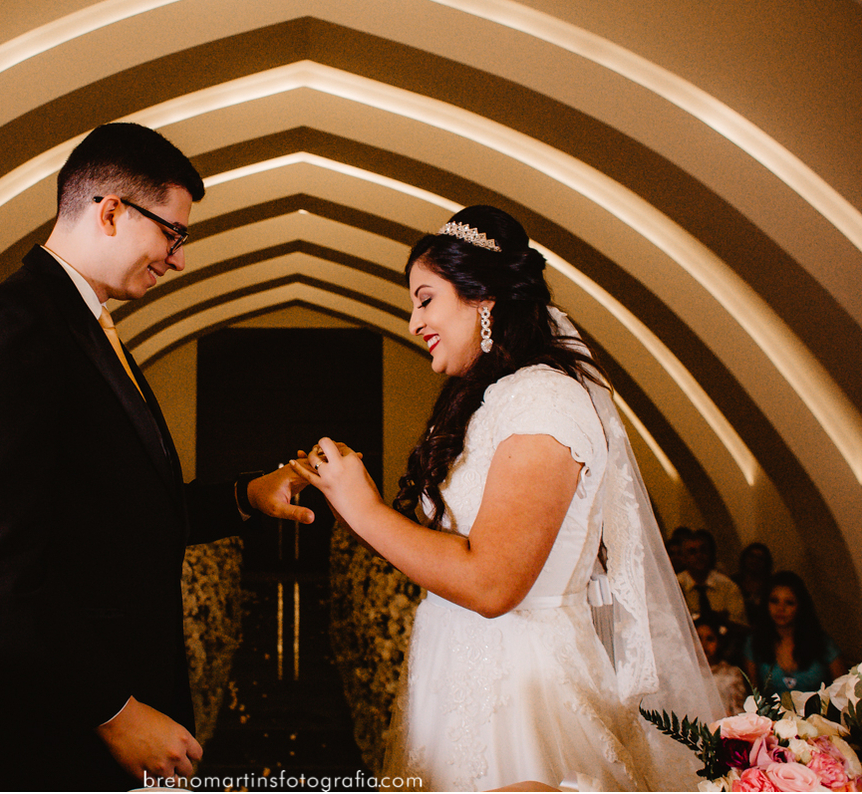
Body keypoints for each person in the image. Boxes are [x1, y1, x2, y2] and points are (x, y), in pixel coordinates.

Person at [0, 122, 313, 791]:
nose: (179, 258)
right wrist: (112, 708)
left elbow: (121, 518)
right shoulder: (11, 324)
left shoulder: (92, 330)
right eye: (173, 233)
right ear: (110, 210)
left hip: (93, 714)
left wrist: (247, 494)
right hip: (40, 734)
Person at [290, 205, 721, 790]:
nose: (413, 321)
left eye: (424, 299)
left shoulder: (543, 401)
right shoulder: (491, 401)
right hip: (461, 669)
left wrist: (362, 509)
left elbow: (492, 585)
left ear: (483, 297)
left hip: (518, 689)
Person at [743, 571, 846, 698]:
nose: (781, 608)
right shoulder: (754, 642)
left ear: (800, 606)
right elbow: (752, 695)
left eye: (789, 602)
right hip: (771, 716)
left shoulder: (822, 643)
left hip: (816, 716)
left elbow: (843, 692)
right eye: (774, 601)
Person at [677, 528, 748, 626]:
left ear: (710, 554)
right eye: (692, 552)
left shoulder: (727, 586)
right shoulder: (676, 585)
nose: (699, 555)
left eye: (703, 550)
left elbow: (740, 625)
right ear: (683, 558)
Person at [694, 613, 748, 717]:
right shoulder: (684, 673)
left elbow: (739, 710)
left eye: (710, 639)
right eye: (698, 638)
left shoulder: (731, 673)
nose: (703, 644)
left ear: (720, 643)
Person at [733, 542, 773, 626]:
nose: (755, 561)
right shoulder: (733, 583)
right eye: (752, 556)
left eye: (760, 558)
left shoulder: (770, 586)